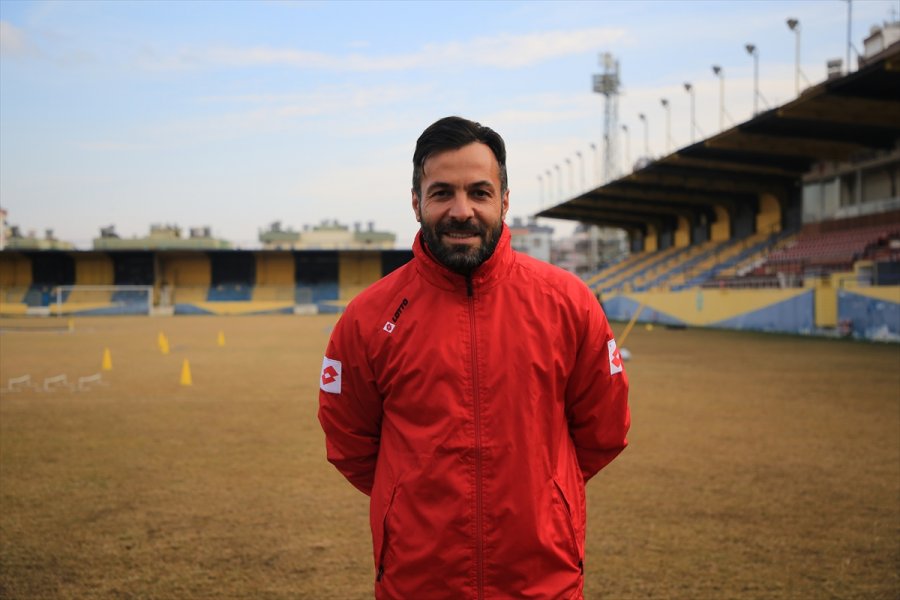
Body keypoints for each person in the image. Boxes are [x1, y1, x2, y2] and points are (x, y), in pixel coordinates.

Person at [318, 116, 630, 599]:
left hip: (542, 579)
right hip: (418, 579)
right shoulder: (369, 317)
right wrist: (408, 497)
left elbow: (603, 429)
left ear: (504, 201)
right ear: (416, 202)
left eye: (479, 193)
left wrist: (546, 491)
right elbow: (350, 442)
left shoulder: (568, 302)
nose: (461, 211)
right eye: (442, 193)